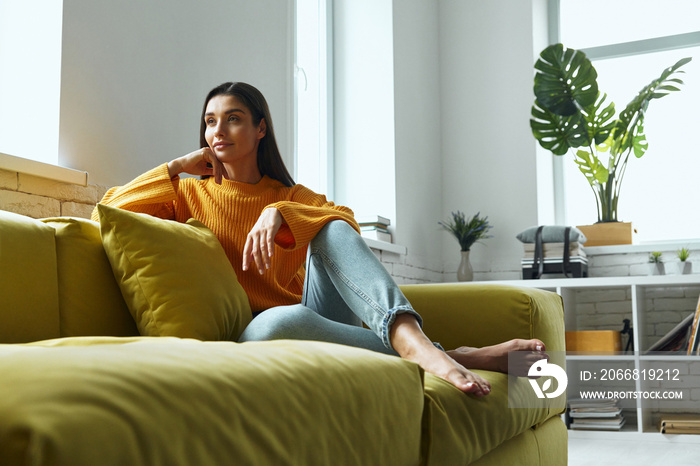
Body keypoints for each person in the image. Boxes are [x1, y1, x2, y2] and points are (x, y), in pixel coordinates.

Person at [93, 82, 546, 396]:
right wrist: (173, 166)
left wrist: (279, 212)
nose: (218, 131)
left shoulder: (288, 195)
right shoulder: (187, 192)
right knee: (277, 323)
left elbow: (344, 220)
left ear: (260, 129)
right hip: (260, 331)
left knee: (330, 226)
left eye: (233, 119)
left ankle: (410, 340)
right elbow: (108, 209)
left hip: (315, 316)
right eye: (210, 121)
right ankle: (451, 353)